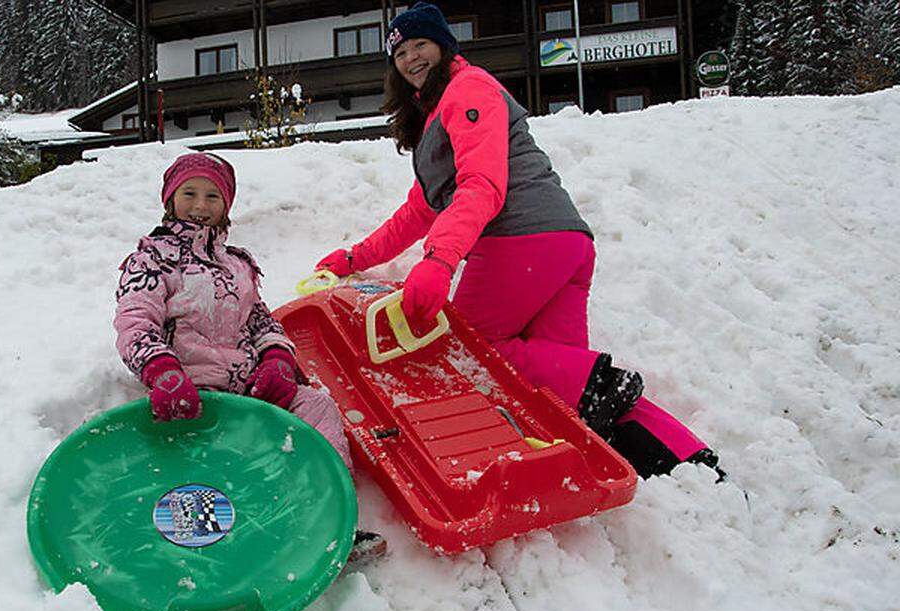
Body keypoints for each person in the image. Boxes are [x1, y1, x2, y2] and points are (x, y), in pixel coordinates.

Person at [315, 3, 722, 480]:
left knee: (472, 350)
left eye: (420, 44)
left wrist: (439, 262)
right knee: (560, 399)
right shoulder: (437, 113)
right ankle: (694, 469)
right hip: (562, 245)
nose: (411, 58)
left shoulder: (469, 90)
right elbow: (419, 211)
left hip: (523, 239)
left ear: (444, 46)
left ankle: (605, 380)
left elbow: (482, 184)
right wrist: (353, 257)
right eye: (400, 52)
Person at [115, 152, 387, 561]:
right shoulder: (152, 258)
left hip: (247, 388)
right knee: (209, 473)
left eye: (213, 196)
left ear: (227, 205)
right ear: (170, 199)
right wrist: (162, 370)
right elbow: (136, 320)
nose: (200, 205)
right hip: (192, 393)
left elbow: (260, 321)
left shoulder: (236, 264)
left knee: (316, 407)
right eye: (189, 193)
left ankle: (333, 521)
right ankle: (207, 546)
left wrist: (276, 358)